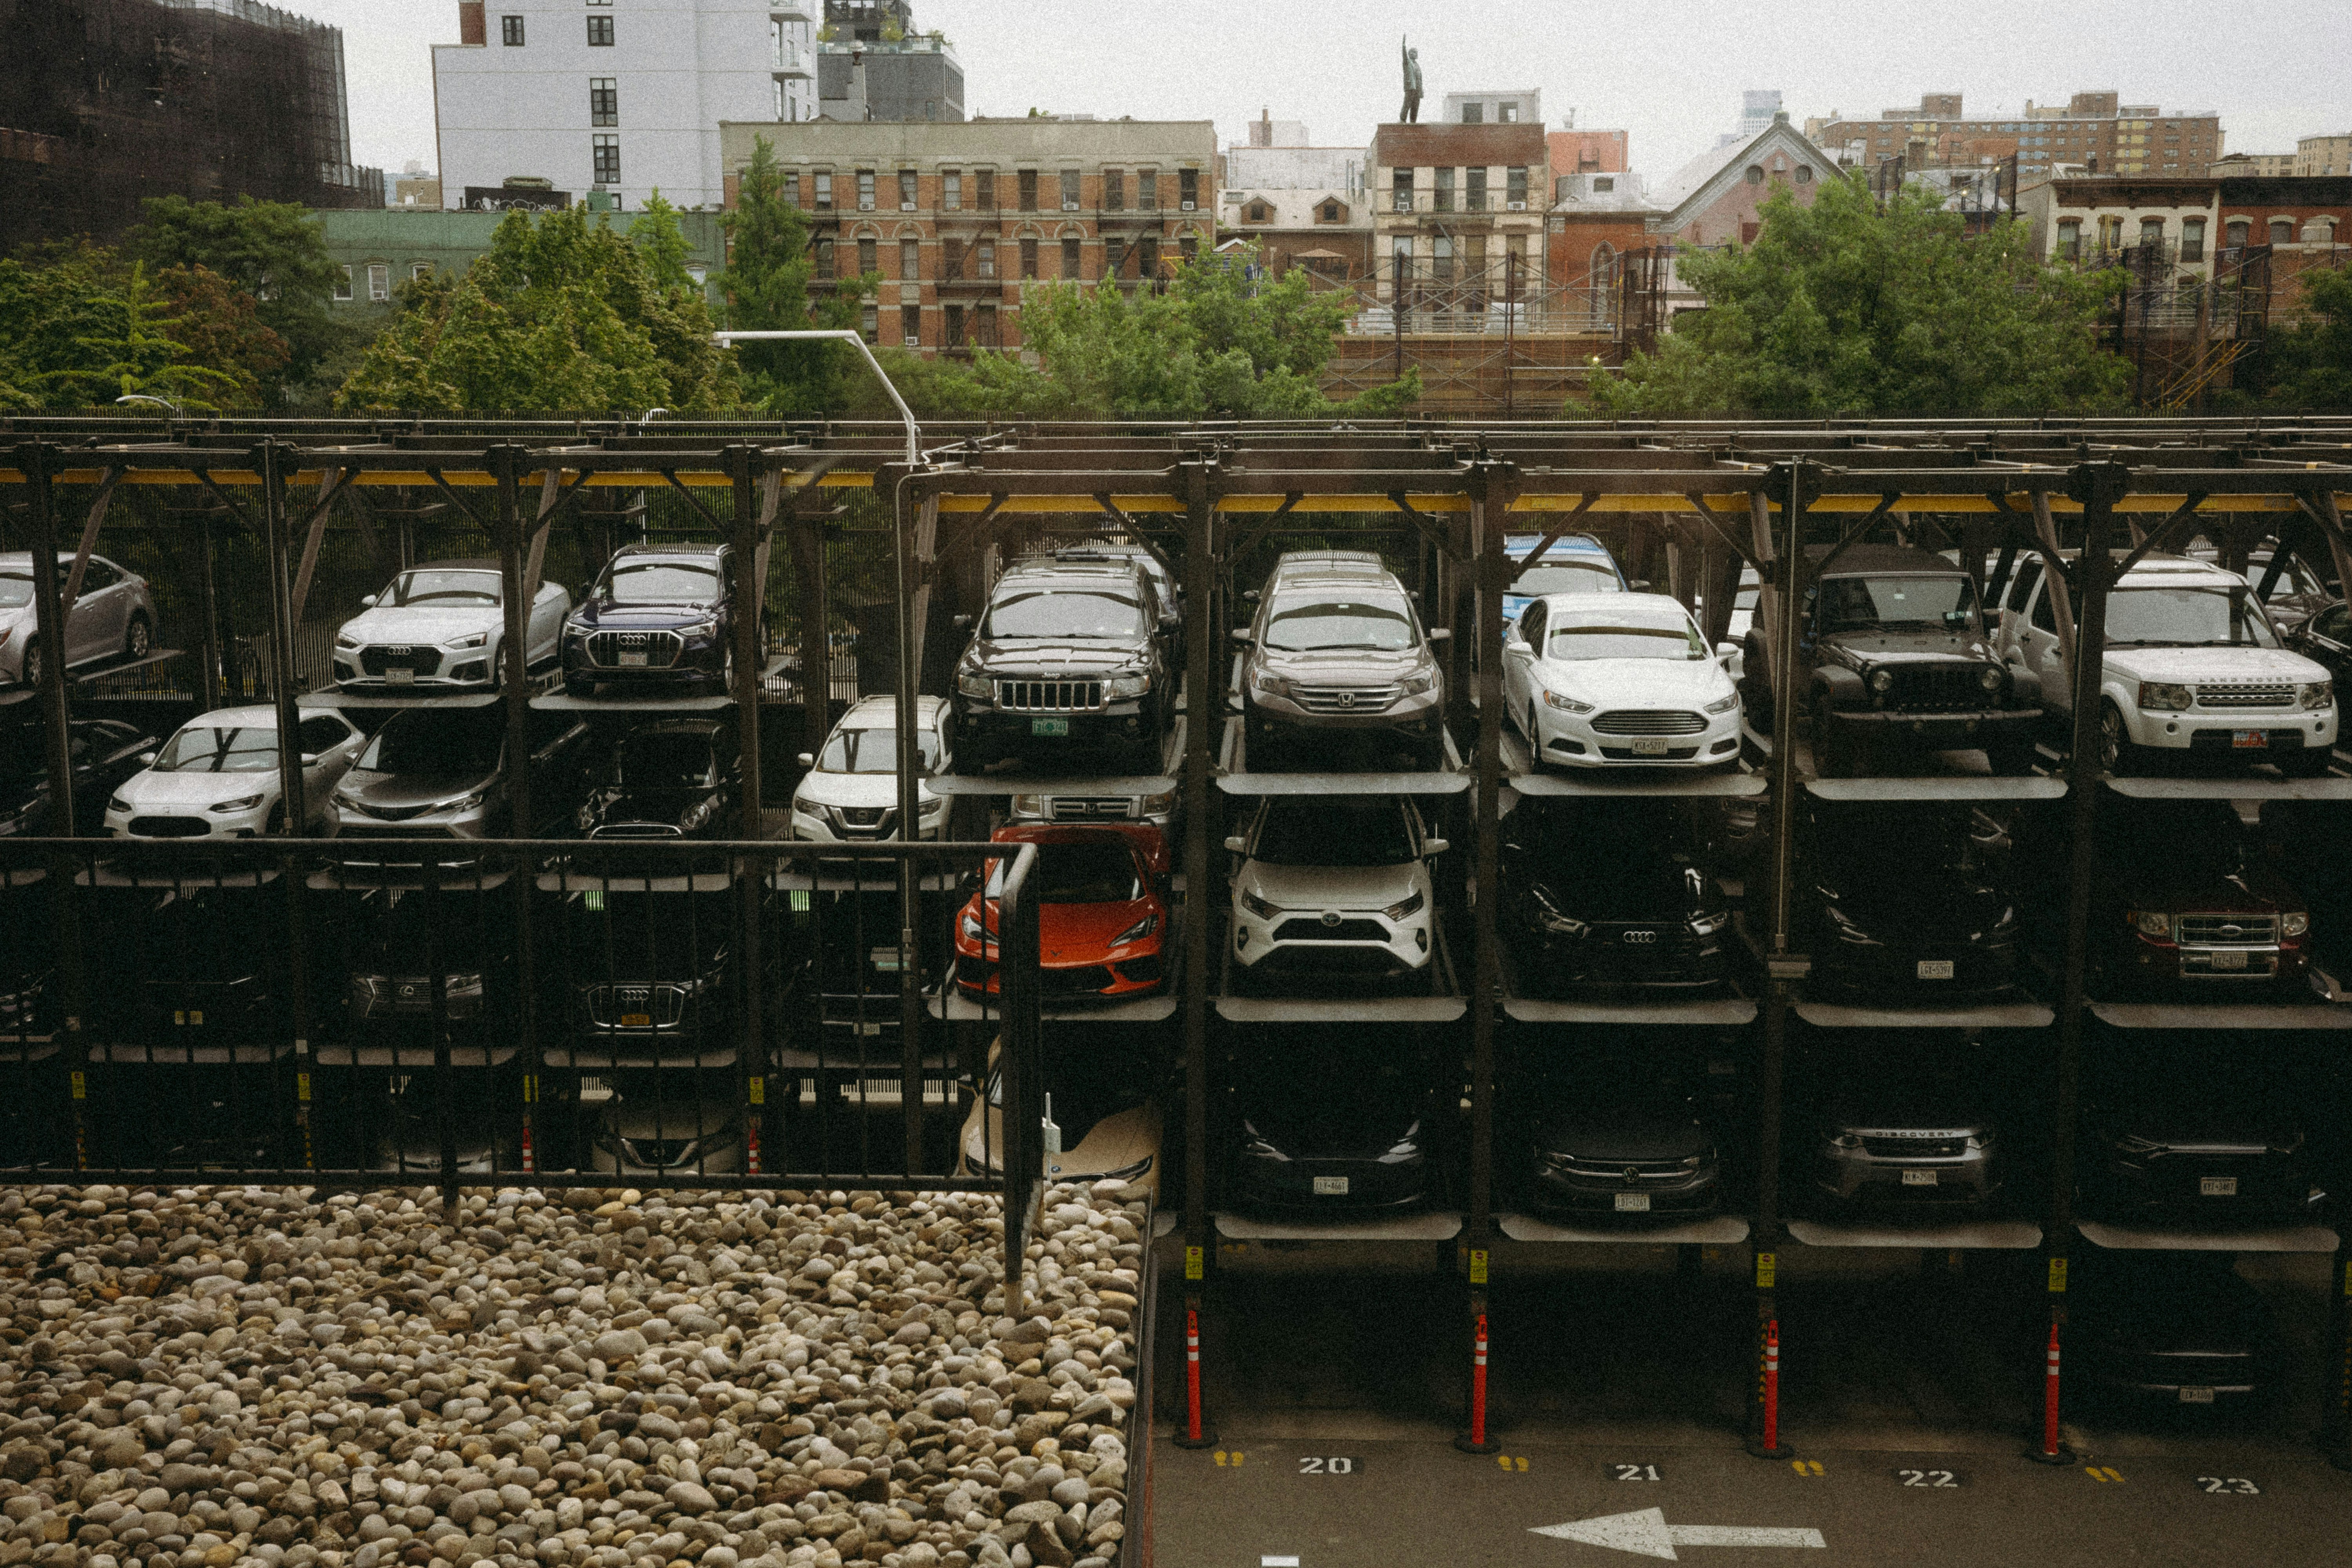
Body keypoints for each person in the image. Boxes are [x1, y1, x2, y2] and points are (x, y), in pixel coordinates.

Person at [1400, 39, 1423, 124]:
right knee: (1407, 103)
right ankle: (1403, 119)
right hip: (1410, 87)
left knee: (1415, 106)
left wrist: (1421, 90)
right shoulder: (1407, 62)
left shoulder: (1417, 65)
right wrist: (1404, 46)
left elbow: (1420, 78)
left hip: (1417, 89)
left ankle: (1413, 121)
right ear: (1410, 54)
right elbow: (1404, 56)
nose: (1416, 54)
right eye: (1414, 52)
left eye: (1417, 52)